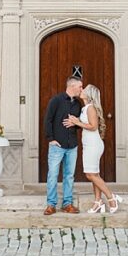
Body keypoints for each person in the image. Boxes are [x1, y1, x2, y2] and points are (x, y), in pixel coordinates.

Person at [64, 83, 123, 213]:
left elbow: (93, 126)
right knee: (94, 173)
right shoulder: (85, 108)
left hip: (93, 144)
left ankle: (111, 197)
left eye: (84, 89)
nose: (81, 90)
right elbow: (85, 123)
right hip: (89, 144)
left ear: (89, 94)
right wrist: (74, 120)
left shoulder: (90, 108)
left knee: (90, 174)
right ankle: (98, 202)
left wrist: (77, 122)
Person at [43, 76, 83, 215]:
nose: (81, 89)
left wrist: (76, 123)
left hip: (72, 145)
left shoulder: (78, 104)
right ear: (72, 86)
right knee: (53, 174)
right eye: (80, 87)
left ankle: (67, 204)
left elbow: (79, 122)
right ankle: (51, 204)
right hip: (57, 145)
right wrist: (50, 139)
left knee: (69, 175)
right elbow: (48, 119)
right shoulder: (56, 100)